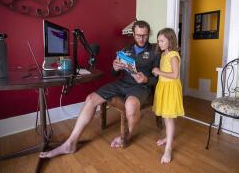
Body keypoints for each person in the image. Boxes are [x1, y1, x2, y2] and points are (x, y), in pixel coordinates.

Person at [39, 20, 160, 158]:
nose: (141, 39)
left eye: (144, 35)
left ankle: (127, 137)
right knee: (90, 98)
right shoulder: (126, 50)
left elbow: (157, 79)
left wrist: (145, 79)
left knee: (131, 105)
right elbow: (114, 74)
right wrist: (115, 68)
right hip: (122, 83)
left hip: (140, 87)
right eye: (138, 35)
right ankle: (70, 143)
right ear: (133, 34)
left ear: (148, 33)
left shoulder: (155, 52)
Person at [152, 28, 185, 164]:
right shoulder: (164, 54)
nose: (159, 43)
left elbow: (175, 75)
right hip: (163, 87)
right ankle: (168, 137)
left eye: (161, 41)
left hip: (170, 88)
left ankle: (169, 148)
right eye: (158, 40)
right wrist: (158, 72)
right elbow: (164, 71)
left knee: (169, 117)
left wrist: (159, 72)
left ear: (170, 40)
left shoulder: (173, 55)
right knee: (166, 116)